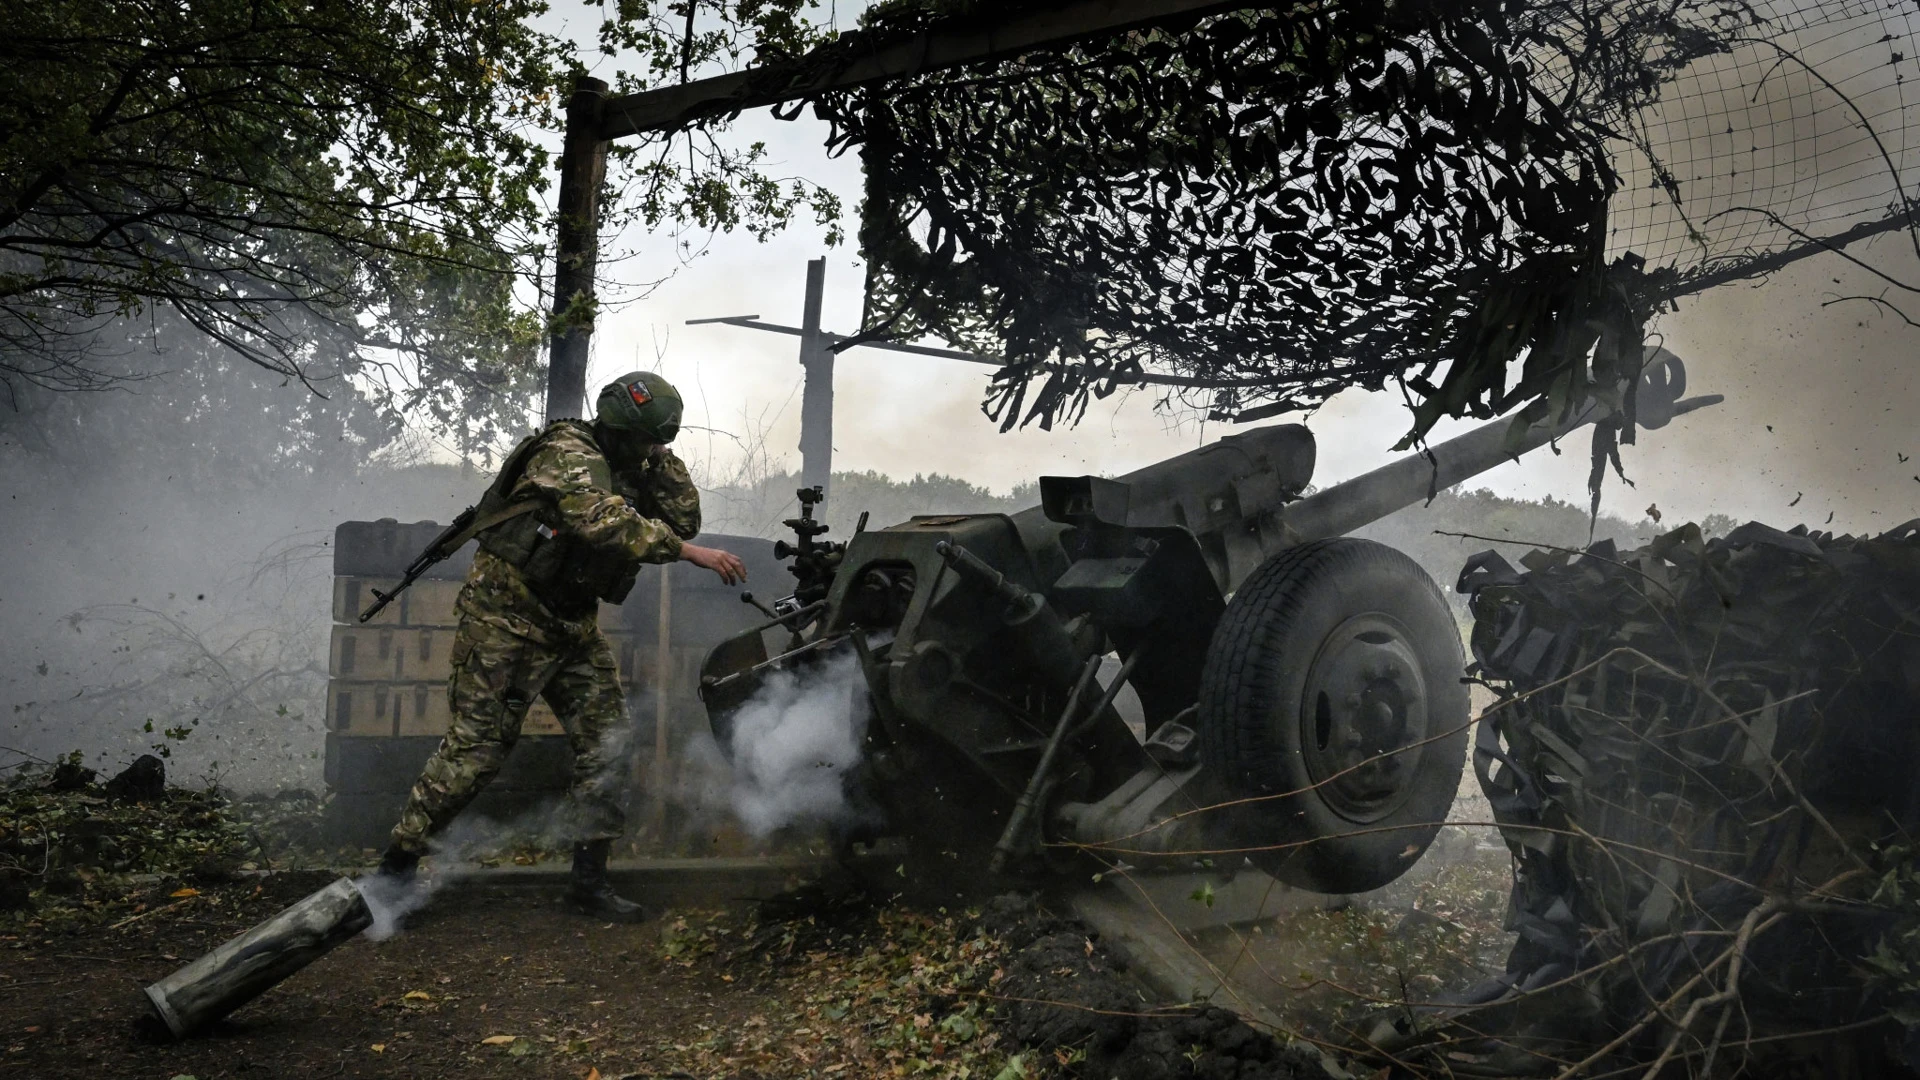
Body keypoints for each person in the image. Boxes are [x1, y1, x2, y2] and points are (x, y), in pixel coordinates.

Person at [375, 372, 746, 921]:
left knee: (609, 742)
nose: (650, 449)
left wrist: (661, 458)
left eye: (656, 441)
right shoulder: (566, 451)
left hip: (571, 624)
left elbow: (682, 517)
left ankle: (588, 882)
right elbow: (602, 522)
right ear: (618, 430)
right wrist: (690, 554)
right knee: (477, 751)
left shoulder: (634, 463)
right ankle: (393, 874)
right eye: (645, 439)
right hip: (507, 618)